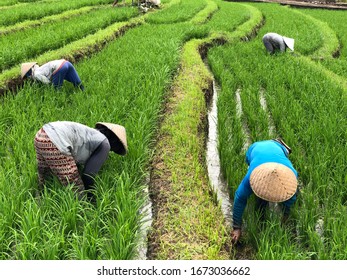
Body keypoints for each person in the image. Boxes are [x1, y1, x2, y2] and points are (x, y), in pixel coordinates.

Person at [34, 121, 127, 200]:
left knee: (45, 175)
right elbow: (88, 175)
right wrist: (91, 199)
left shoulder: (91, 134)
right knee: (75, 185)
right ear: (115, 143)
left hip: (41, 135)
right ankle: (82, 212)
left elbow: (75, 155)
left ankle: (39, 199)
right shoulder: (105, 143)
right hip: (55, 140)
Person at [231, 138, 298, 243]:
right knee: (261, 200)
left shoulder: (291, 176)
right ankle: (276, 142)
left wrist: (285, 218)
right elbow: (240, 198)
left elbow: (290, 202)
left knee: (290, 196)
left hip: (278, 149)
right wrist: (236, 227)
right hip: (255, 148)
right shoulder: (251, 177)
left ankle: (279, 143)